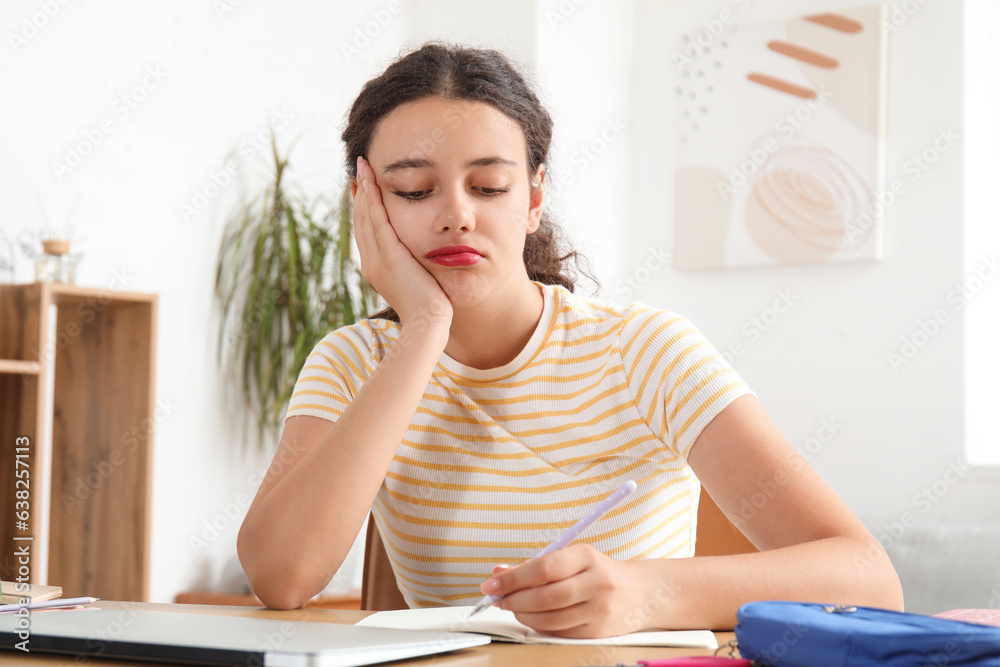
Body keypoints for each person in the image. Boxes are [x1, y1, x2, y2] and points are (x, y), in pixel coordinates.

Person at [237, 40, 903, 638]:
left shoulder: (644, 350)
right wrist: (423, 330)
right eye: (414, 189)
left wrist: (647, 592)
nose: (457, 215)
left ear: (532, 200)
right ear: (365, 202)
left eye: (490, 185)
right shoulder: (354, 362)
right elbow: (282, 577)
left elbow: (869, 576)